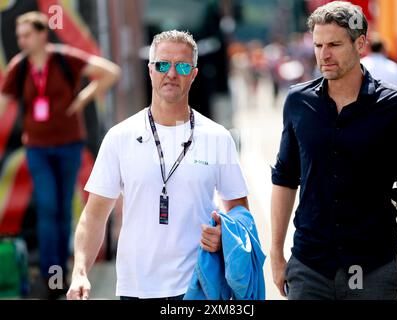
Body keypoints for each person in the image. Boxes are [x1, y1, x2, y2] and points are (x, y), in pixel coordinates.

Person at [66, 30, 249, 300]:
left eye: (182, 66)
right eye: (163, 64)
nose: (172, 73)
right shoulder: (120, 137)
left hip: (200, 286)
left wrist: (226, 235)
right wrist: (80, 270)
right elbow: (94, 215)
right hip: (136, 287)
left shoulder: (217, 137)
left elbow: (240, 211)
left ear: (194, 74)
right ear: (150, 70)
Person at [270, 1, 397, 300]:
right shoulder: (297, 102)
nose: (324, 54)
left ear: (360, 43)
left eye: (334, 44)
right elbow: (284, 179)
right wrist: (276, 254)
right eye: (318, 44)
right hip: (309, 265)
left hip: (372, 267)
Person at [0, 11, 120, 298]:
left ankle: (61, 276)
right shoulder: (19, 67)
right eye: (19, 36)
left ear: (43, 34)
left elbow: (110, 73)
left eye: (27, 34)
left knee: (63, 209)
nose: (22, 41)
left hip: (68, 145)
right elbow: (3, 103)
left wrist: (82, 98)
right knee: (47, 207)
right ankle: (48, 275)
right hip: (38, 148)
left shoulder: (65, 58)